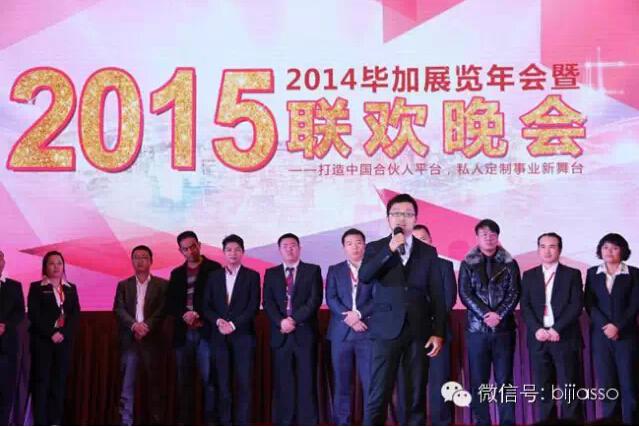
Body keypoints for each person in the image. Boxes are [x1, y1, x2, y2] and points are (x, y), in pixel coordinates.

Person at [360, 193, 446, 425]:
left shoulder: (427, 252)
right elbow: (365, 276)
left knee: (416, 392)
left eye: (408, 214)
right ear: (388, 218)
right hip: (386, 329)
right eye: (397, 214)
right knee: (379, 392)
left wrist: (438, 332)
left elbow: (437, 294)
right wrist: (389, 250)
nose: (402, 218)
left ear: (415, 219)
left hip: (418, 330)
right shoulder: (376, 248)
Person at [459, 219, 520, 425]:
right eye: (484, 234)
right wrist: (486, 314)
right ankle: (482, 422)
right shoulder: (467, 263)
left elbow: (514, 292)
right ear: (477, 237)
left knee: (505, 381)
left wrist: (499, 315)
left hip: (504, 330)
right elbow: (465, 293)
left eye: (493, 234)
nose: (488, 238)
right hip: (477, 330)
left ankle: (507, 422)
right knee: (479, 381)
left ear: (498, 237)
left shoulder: (509, 263)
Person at [520, 232, 584, 424]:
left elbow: (576, 305)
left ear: (560, 249)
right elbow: (525, 306)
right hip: (539, 338)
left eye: (552, 246)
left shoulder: (572, 274)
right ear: (538, 249)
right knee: (543, 388)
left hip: (564, 337)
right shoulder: (529, 275)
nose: (547, 251)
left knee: (569, 387)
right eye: (543, 246)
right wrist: (537, 329)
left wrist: (557, 329)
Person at [263, 233, 323, 425]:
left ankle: (308, 422)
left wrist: (293, 320)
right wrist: (281, 322)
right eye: (285, 246)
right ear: (279, 250)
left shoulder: (312, 270)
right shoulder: (271, 273)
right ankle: (285, 421)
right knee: (283, 382)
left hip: (304, 333)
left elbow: (314, 300)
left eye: (293, 245)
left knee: (307, 381)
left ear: (299, 248)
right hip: (281, 335)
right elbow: (268, 302)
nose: (289, 249)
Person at [400, 224, 457, 426]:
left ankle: (442, 422)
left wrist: (432, 327)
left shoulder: (444, 266)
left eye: (423, 239)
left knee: (440, 382)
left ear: (431, 241)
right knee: (411, 383)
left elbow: (448, 300)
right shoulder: (401, 269)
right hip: (409, 335)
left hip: (437, 331)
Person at [203, 234, 260, 425]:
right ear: (223, 252)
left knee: (244, 385)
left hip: (243, 337)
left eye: (237, 250)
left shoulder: (252, 276)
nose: (233, 253)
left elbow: (253, 307)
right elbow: (206, 306)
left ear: (243, 252)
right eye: (229, 250)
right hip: (219, 338)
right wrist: (218, 321)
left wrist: (233, 325)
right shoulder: (213, 277)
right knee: (222, 385)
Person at [167, 231, 221, 424]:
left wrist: (198, 314)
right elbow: (171, 303)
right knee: (184, 383)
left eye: (193, 246)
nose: (190, 251)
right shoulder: (176, 274)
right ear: (180, 251)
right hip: (183, 334)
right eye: (185, 249)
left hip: (206, 332)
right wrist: (185, 314)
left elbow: (219, 300)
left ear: (199, 245)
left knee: (210, 381)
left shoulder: (214, 269)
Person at [584, 233, 639, 425]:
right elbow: (590, 303)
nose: (609, 251)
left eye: (615, 248)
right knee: (608, 386)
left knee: (629, 384)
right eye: (606, 247)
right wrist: (605, 326)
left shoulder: (634, 273)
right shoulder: (593, 273)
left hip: (627, 336)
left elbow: (635, 304)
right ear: (600, 250)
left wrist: (618, 326)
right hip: (601, 337)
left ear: (623, 251)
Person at [113, 245, 168, 425]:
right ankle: (126, 422)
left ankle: (156, 422)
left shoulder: (162, 285)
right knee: (126, 385)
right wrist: (134, 326)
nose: (140, 261)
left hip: (153, 341)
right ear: (132, 261)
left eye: (144, 257)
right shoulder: (123, 285)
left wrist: (147, 326)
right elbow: (119, 309)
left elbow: (162, 310)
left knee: (155, 386)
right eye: (136, 257)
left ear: (151, 261)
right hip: (130, 340)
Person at [326, 228, 373, 425]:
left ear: (365, 245)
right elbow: (331, 298)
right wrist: (349, 318)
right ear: (344, 247)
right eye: (350, 243)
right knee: (341, 384)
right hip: (341, 334)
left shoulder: (374, 269)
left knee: (370, 383)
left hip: (367, 332)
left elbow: (378, 298)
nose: (355, 247)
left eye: (359, 242)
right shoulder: (335, 270)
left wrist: (359, 315)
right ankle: (342, 422)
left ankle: (370, 422)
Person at [28, 250, 80, 425]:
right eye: (51, 263)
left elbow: (75, 315)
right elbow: (34, 315)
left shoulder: (71, 288)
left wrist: (63, 333)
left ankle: (55, 421)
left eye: (59, 263)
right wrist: (51, 333)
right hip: (43, 342)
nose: (56, 267)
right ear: (45, 267)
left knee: (59, 382)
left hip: (63, 343)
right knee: (41, 382)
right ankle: (40, 422)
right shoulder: (37, 287)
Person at [0, 250, 25, 425]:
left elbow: (19, 312)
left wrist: (4, 326)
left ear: (4, 262)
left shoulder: (14, 286)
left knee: (5, 393)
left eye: (0, 258)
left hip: (6, 348)